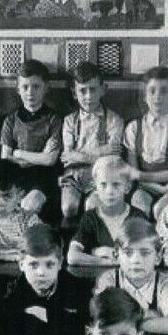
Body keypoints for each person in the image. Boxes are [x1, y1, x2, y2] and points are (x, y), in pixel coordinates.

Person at [123, 66, 168, 218]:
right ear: (144, 95)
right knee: (139, 207)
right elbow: (133, 172)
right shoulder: (133, 128)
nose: (157, 97)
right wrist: (151, 183)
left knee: (162, 210)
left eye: (164, 91)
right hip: (143, 188)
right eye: (152, 91)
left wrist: (143, 177)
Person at [93, 218, 168, 335]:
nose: (136, 260)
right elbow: (104, 319)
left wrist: (127, 320)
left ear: (158, 257)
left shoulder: (165, 284)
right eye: (128, 253)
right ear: (116, 255)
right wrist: (150, 316)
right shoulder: (109, 279)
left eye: (145, 253)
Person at [59, 62, 124, 220]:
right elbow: (67, 157)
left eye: (93, 89)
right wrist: (101, 151)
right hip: (73, 175)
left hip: (103, 176)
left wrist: (79, 155)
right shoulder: (69, 121)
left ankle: (91, 240)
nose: (88, 96)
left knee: (92, 207)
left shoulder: (114, 120)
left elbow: (113, 158)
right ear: (74, 93)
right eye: (82, 90)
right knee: (68, 208)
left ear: (103, 89)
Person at [1, 224, 90, 335]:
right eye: (33, 264)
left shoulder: (78, 288)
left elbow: (82, 326)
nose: (41, 272)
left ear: (60, 264)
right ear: (22, 265)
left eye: (49, 264)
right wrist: (60, 319)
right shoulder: (14, 290)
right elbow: (7, 326)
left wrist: (46, 315)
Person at [0, 59, 62, 219]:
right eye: (25, 87)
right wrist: (38, 157)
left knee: (30, 204)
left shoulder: (53, 119)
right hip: (17, 176)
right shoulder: (11, 120)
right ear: (18, 89)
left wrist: (18, 153)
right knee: (5, 205)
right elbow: (5, 157)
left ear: (45, 88)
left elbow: (49, 160)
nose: (30, 92)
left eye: (36, 86)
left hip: (44, 177)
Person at [67, 156, 147, 266]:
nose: (109, 191)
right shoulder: (90, 218)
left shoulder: (137, 217)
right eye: (103, 184)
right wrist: (105, 261)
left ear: (127, 187)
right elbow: (72, 257)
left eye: (116, 184)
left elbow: (144, 255)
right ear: (95, 188)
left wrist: (96, 251)